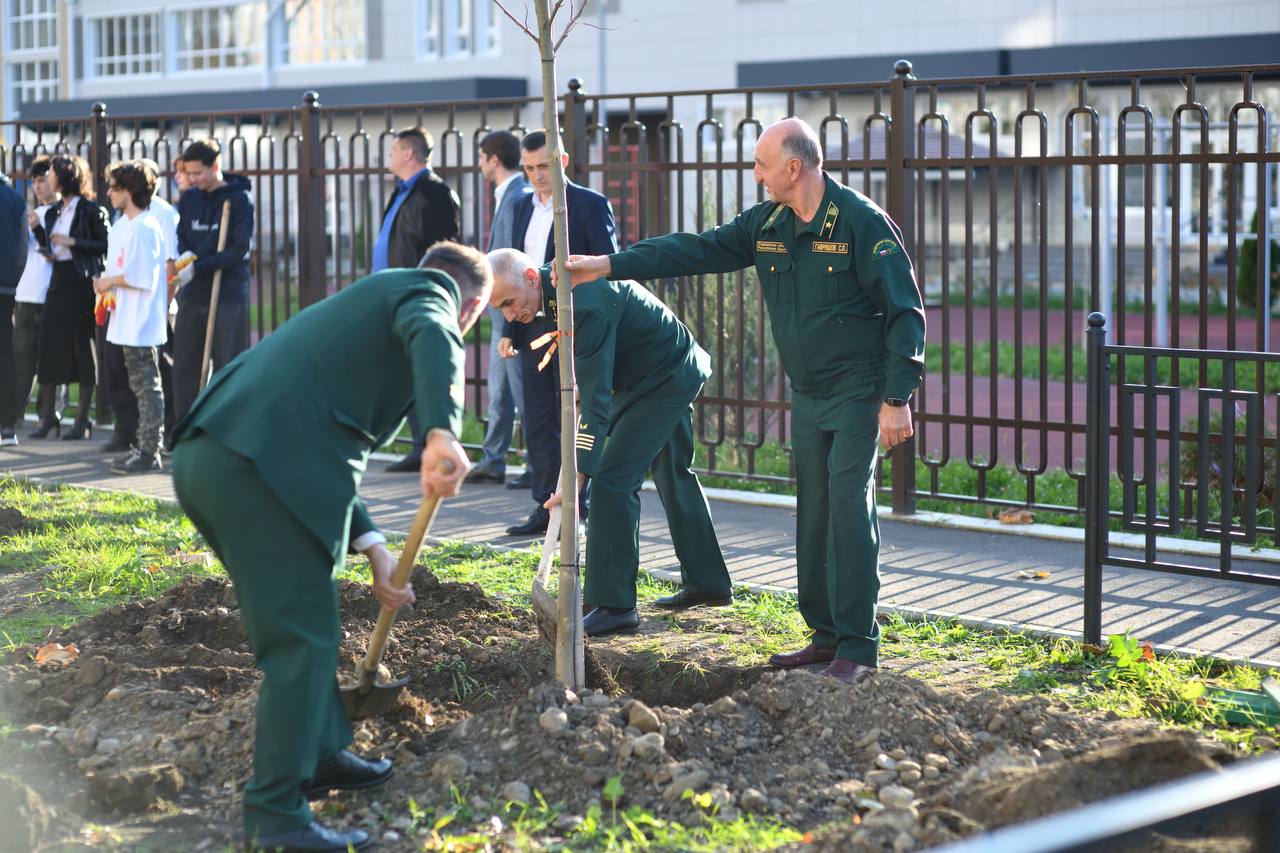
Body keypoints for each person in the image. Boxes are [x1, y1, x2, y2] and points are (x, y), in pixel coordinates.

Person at [564, 118, 926, 684]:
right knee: (814, 515)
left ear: (793, 167)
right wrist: (607, 265)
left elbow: (906, 312)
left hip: (861, 391)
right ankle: (825, 634)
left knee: (849, 511)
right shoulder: (768, 225)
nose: (754, 174)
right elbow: (693, 250)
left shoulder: (859, 222)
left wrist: (898, 397)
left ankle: (858, 646)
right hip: (808, 395)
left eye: (761, 164)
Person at [170, 241, 490, 852]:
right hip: (252, 463)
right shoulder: (429, 296)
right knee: (302, 640)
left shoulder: (375, 301)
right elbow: (433, 328)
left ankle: (317, 754)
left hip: (234, 455)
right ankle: (276, 817)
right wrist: (442, 430)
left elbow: (332, 439)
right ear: (470, 307)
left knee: (313, 621)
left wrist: (376, 552)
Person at [490, 249, 734, 636]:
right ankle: (708, 584)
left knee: (612, 479)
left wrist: (578, 477)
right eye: (498, 308)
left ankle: (614, 604)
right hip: (656, 369)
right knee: (673, 474)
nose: (508, 315)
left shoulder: (579, 300)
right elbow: (591, 374)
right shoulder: (559, 289)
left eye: (508, 302)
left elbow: (598, 401)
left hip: (664, 376)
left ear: (530, 278)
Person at [501, 129, 617, 536]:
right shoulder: (519, 207)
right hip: (530, 324)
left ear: (561, 162)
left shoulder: (588, 205)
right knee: (538, 417)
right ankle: (543, 504)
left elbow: (609, 267)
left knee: (574, 415)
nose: (536, 176)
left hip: (573, 326)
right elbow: (512, 274)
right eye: (529, 168)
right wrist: (507, 328)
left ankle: (577, 506)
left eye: (542, 167)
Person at [373, 127, 463, 473]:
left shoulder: (435, 192)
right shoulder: (400, 192)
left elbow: (443, 247)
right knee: (403, 367)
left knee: (423, 367)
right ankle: (416, 443)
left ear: (409, 153)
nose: (390, 155)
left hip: (416, 292)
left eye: (394, 148)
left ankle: (429, 443)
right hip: (392, 291)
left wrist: (425, 288)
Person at [98, 158, 181, 457]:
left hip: (142, 322)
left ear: (129, 189)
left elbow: (143, 277)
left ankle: (149, 450)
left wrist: (108, 282)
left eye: (114, 187)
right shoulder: (125, 225)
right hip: (126, 320)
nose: (108, 193)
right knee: (136, 384)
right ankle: (142, 445)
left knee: (148, 388)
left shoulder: (147, 226)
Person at [465, 130, 533, 486]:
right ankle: (494, 459)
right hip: (500, 314)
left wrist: (510, 324)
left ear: (493, 159)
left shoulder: (517, 197)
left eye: (481, 157)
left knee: (522, 389)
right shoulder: (508, 195)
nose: (479, 164)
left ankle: (537, 464)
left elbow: (511, 259)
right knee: (501, 389)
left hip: (513, 313)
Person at [171, 139, 253, 423]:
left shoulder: (238, 199)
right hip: (194, 291)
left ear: (215, 167)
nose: (192, 179)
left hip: (227, 290)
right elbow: (181, 235)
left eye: (197, 173)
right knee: (186, 363)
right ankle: (185, 428)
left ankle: (226, 427)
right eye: (188, 173)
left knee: (227, 361)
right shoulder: (190, 198)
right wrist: (186, 256)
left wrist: (201, 265)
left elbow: (238, 250)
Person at [32, 155, 110, 441]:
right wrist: (41, 235)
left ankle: (82, 419)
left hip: (81, 281)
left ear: (65, 177)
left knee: (83, 347)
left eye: (51, 173)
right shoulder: (54, 211)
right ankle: (49, 417)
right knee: (49, 345)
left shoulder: (89, 209)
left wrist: (73, 242)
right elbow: (53, 245)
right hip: (59, 279)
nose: (48, 178)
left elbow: (105, 243)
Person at [11, 158, 59, 442]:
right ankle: (15, 412)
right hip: (26, 294)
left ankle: (49, 414)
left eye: (44, 179)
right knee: (21, 358)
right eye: (36, 181)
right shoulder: (29, 212)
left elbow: (54, 251)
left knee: (50, 360)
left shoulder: (62, 212)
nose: (39, 186)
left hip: (51, 294)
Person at [0, 170, 27, 445]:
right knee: (4, 354)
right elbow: (22, 248)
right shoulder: (16, 198)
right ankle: (7, 425)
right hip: (6, 287)